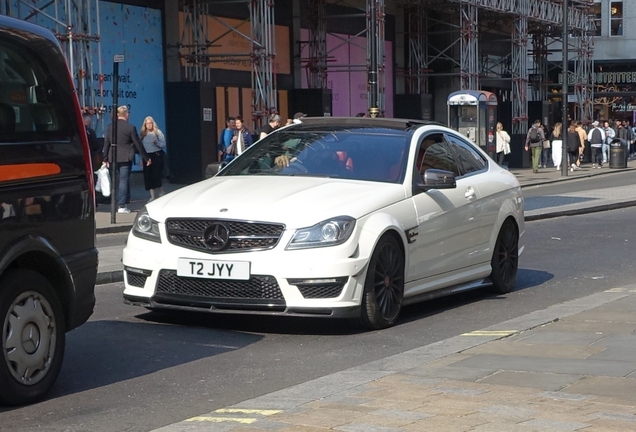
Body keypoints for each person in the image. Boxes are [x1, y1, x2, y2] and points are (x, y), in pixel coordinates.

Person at [102, 106, 151, 214]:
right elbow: (138, 144)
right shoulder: (130, 127)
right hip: (125, 157)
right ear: (126, 115)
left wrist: (104, 158)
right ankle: (122, 205)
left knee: (115, 181)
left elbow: (107, 143)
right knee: (124, 180)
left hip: (112, 157)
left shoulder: (110, 127)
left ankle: (116, 203)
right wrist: (146, 157)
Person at [140, 116, 166, 202]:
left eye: (150, 123)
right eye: (147, 124)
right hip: (147, 156)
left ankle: (161, 191)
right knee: (148, 176)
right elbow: (141, 148)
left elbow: (163, 144)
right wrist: (141, 159)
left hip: (156, 154)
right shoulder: (143, 134)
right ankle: (152, 196)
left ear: (153, 124)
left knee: (156, 174)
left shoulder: (158, 132)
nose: (149, 125)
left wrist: (156, 142)